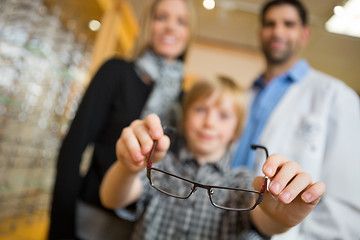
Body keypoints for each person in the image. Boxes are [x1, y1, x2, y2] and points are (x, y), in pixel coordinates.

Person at [100, 76, 326, 240]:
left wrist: (279, 220)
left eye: (223, 116)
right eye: (200, 110)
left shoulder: (242, 184)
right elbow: (112, 198)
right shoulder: (160, 167)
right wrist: (129, 167)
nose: (209, 122)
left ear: (235, 131)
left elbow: (265, 219)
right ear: (185, 118)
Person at [48, 0, 196, 239]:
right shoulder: (116, 73)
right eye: (161, 18)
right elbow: (73, 148)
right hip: (92, 218)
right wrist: (61, 225)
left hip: (145, 227)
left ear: (189, 34)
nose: (170, 27)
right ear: (149, 24)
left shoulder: (185, 101)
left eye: (181, 21)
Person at [231, 0, 360, 239]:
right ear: (260, 33)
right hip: (224, 225)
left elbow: (344, 204)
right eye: (270, 24)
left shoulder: (336, 97)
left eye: (289, 24)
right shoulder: (244, 96)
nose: (278, 31)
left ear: (304, 34)